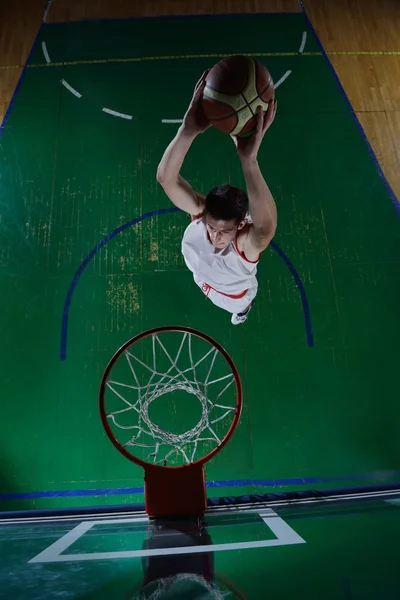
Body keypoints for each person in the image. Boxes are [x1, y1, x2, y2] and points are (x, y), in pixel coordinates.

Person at [157, 71, 277, 324]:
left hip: (236, 296)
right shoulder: (202, 213)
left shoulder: (244, 242)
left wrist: (249, 161)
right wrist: (187, 129)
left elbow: (264, 230)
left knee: (241, 309)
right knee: (203, 264)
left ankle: (243, 313)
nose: (215, 236)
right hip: (201, 277)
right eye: (211, 227)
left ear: (241, 223)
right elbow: (166, 179)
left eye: (224, 231)